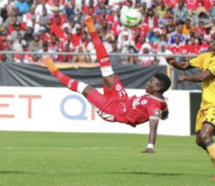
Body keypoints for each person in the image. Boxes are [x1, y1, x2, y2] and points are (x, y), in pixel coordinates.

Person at [43, 16, 171, 153]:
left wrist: (150, 146)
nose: (147, 83)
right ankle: (93, 33)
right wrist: (165, 115)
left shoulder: (153, 106)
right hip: (122, 99)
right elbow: (164, 110)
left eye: (151, 82)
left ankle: (55, 72)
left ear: (158, 88)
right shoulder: (160, 103)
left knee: (84, 88)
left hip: (112, 111)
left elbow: (153, 127)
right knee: (108, 70)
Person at [165, 42, 215, 177]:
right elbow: (186, 65)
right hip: (205, 105)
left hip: (214, 105)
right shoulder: (206, 56)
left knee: (205, 135)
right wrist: (173, 63)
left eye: (214, 41)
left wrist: (186, 78)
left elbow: (204, 76)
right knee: (200, 140)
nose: (211, 43)